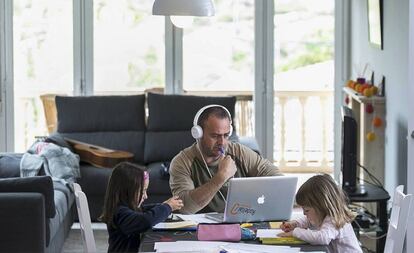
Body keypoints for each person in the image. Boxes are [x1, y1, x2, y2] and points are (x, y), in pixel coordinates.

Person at [169, 104, 282, 214]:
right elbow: (184, 208)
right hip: (202, 227)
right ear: (198, 134)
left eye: (226, 135)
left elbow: (277, 178)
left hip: (242, 220)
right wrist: (221, 176)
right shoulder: (181, 162)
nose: (222, 142)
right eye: (215, 136)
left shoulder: (239, 152)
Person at [100, 162, 183, 253]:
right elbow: (146, 220)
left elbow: (144, 209)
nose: (145, 196)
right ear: (128, 191)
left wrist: (163, 205)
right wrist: (167, 207)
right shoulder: (120, 213)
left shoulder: (127, 209)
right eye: (143, 191)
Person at [279, 174, 362, 253]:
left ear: (321, 207)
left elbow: (322, 238)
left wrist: (295, 232)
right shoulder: (323, 215)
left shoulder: (333, 219)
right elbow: (308, 221)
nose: (304, 213)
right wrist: (295, 224)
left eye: (307, 210)